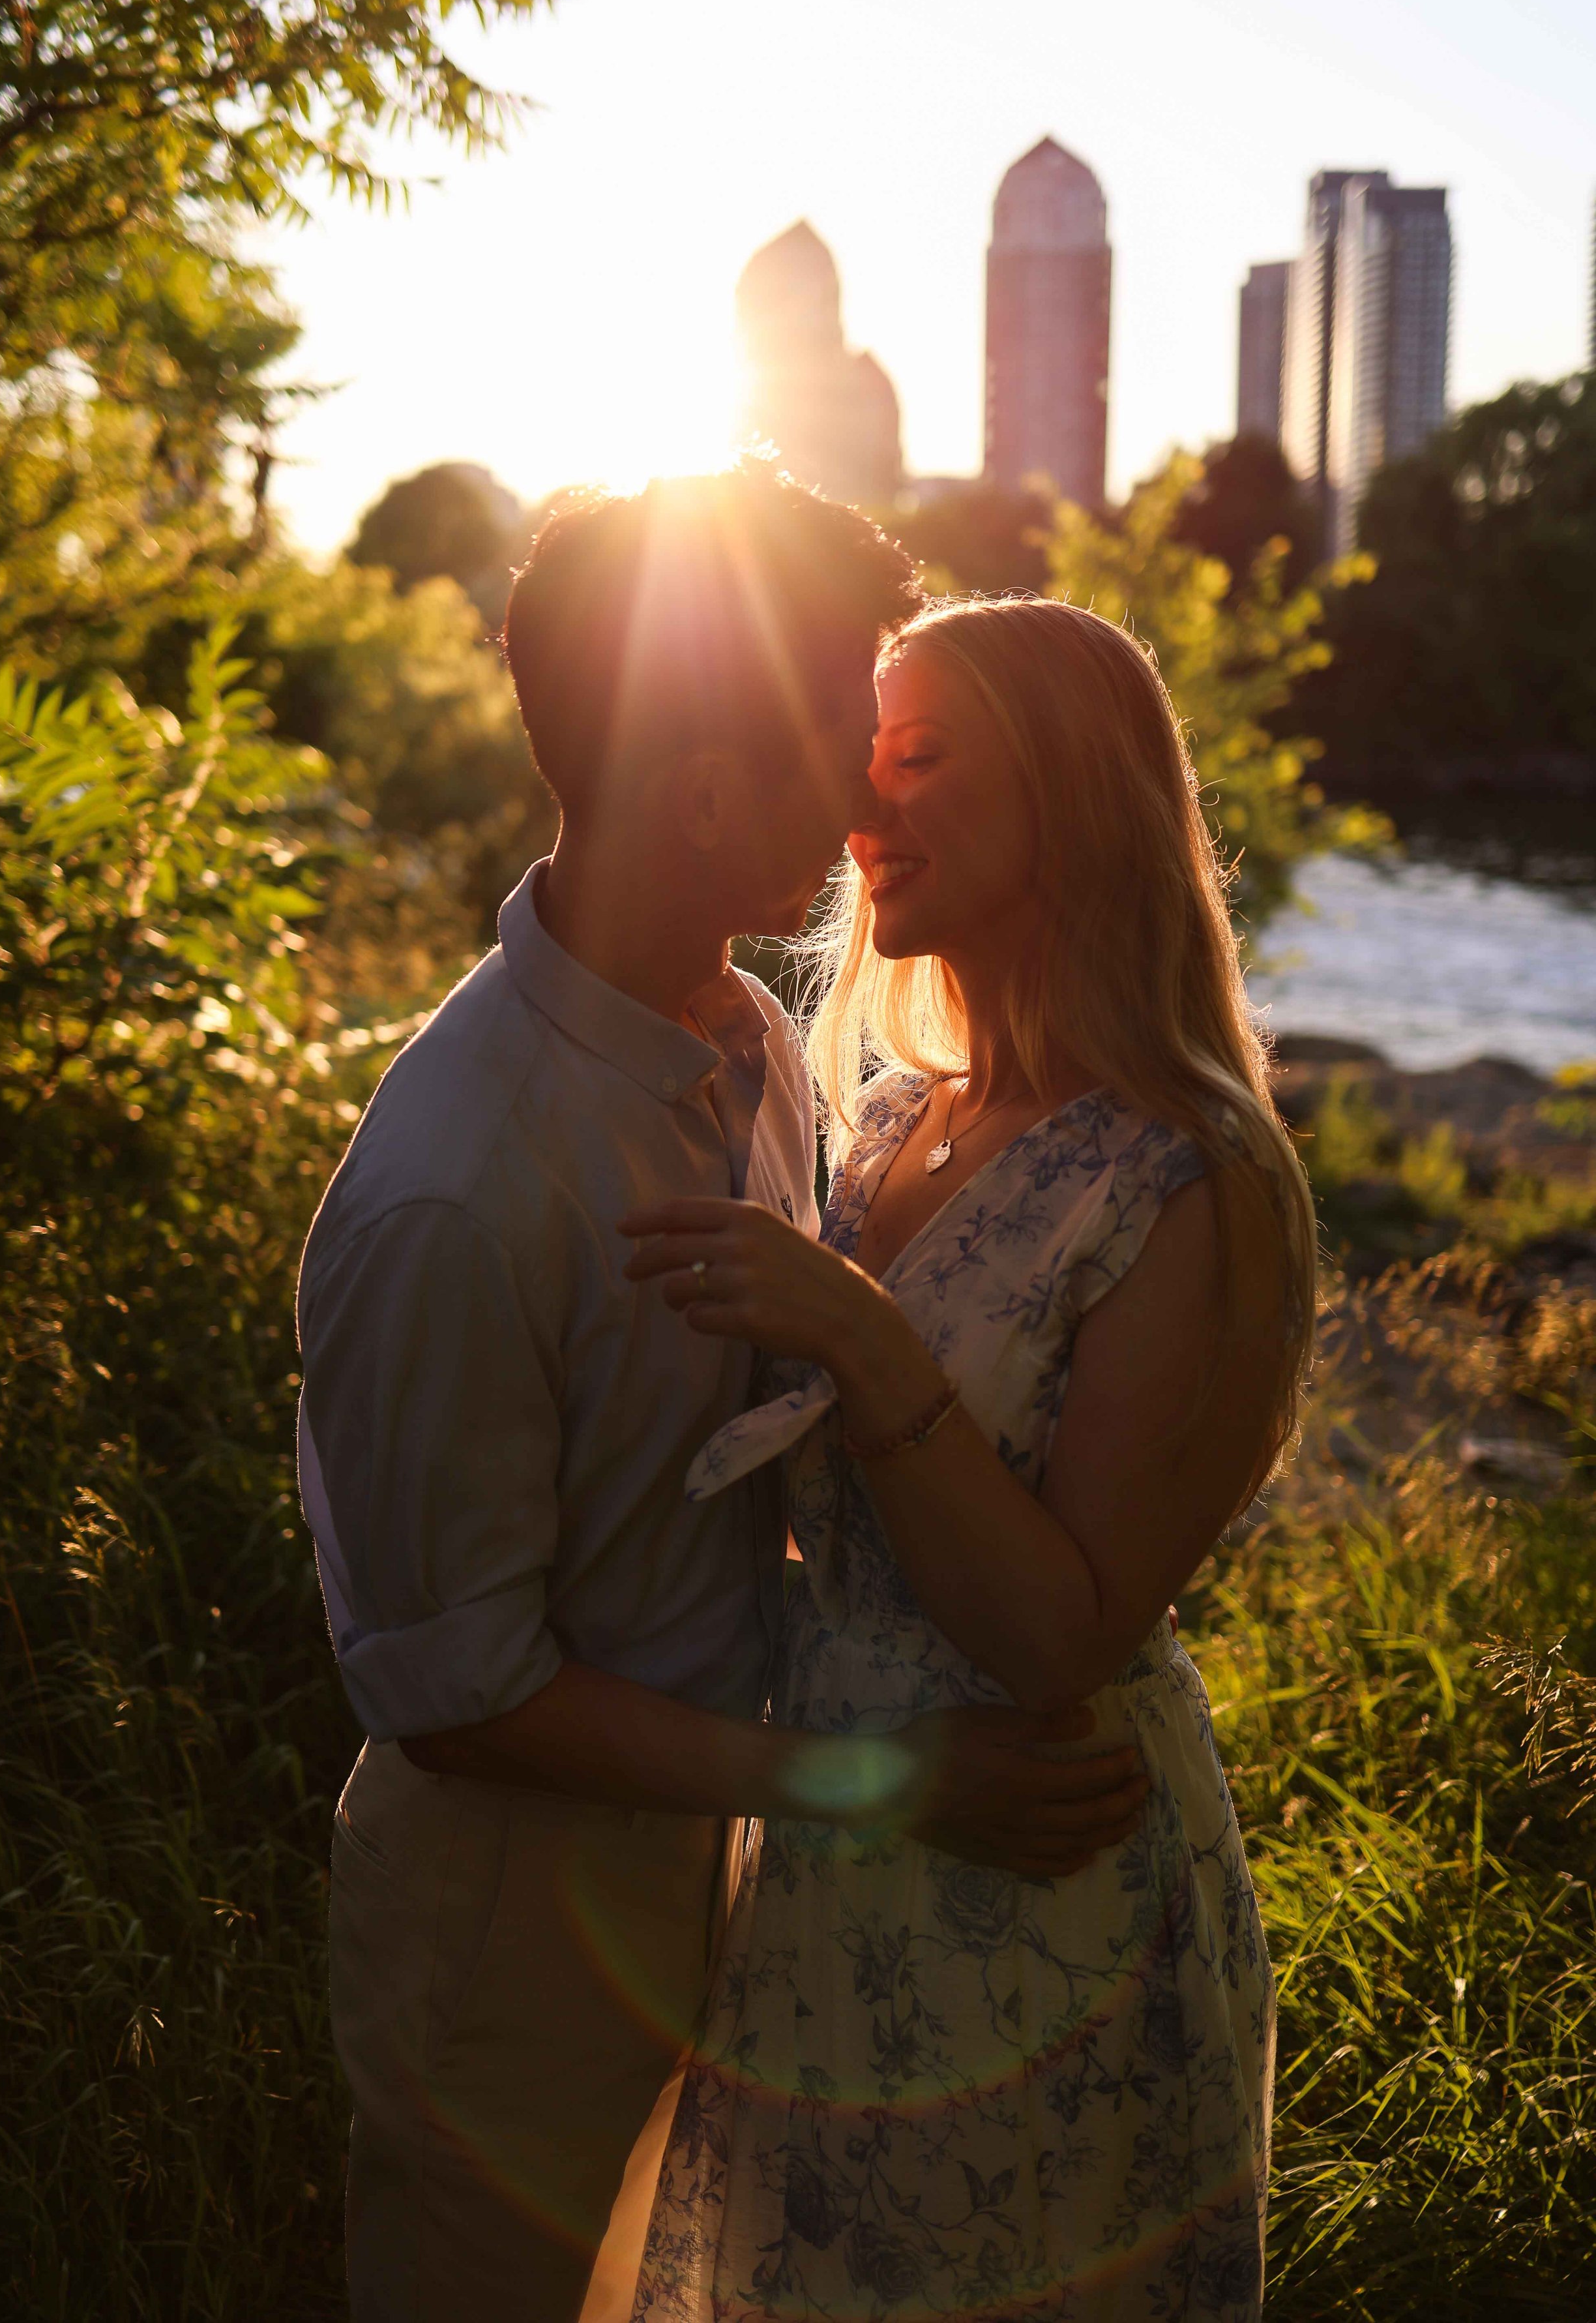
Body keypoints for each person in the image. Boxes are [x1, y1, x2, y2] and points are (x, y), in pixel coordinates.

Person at [295, 472, 1153, 2323]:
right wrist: (875, 1782)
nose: (867, 798)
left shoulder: (751, 1038)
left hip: (730, 1892)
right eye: (838, 745)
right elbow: (458, 1694)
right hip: (512, 1944)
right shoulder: (460, 1187)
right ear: (701, 784)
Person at [623, 594, 1316, 2320]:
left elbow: (1060, 1633)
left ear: (1074, 795)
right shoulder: (878, 1120)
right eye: (863, 760)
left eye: (921, 759)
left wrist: (863, 1339)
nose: (861, 810)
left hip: (1040, 1886)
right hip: (838, 1855)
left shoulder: (1186, 1173)